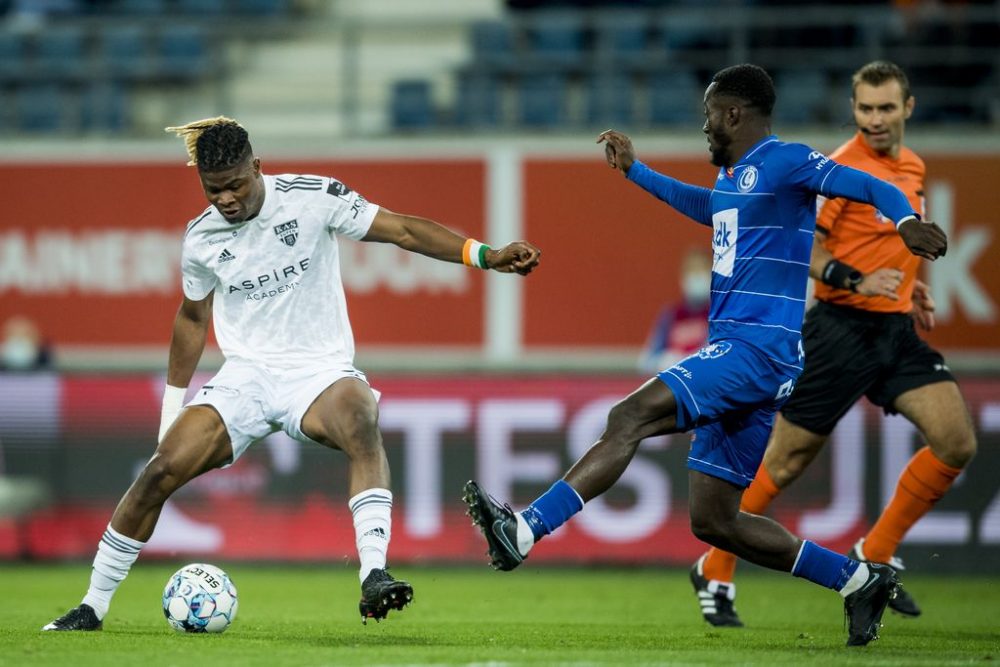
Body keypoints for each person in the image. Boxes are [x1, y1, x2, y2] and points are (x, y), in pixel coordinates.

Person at [463, 64, 947, 647]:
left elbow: (867, 185)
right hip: (751, 356)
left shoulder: (786, 161)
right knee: (715, 520)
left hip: (754, 351)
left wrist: (906, 221)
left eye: (710, 114)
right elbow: (708, 205)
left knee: (627, 418)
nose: (704, 126)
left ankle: (525, 529)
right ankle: (859, 580)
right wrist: (636, 172)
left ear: (735, 114)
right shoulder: (739, 180)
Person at [43, 117, 541, 631]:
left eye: (236, 184)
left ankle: (374, 574)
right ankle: (92, 607)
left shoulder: (314, 195)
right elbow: (192, 319)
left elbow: (404, 230)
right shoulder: (200, 239)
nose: (227, 199)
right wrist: (172, 411)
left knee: (360, 419)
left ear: (257, 167)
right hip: (247, 377)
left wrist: (485, 255)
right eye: (215, 190)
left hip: (319, 371)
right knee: (158, 473)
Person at [691, 61, 976, 627]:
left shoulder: (912, 166)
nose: (874, 119)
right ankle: (715, 567)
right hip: (839, 329)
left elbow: (887, 244)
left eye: (886, 108)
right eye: (865, 108)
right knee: (784, 461)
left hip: (894, 332)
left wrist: (911, 288)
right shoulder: (839, 168)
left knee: (955, 440)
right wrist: (857, 281)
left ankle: (875, 551)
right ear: (854, 109)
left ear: (907, 109)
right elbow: (811, 254)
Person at [638, 248, 711, 375]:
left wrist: (690, 361)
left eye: (702, 269)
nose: (697, 276)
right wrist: (662, 361)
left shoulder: (718, 314)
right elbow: (646, 360)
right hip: (673, 384)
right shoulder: (671, 314)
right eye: (692, 270)